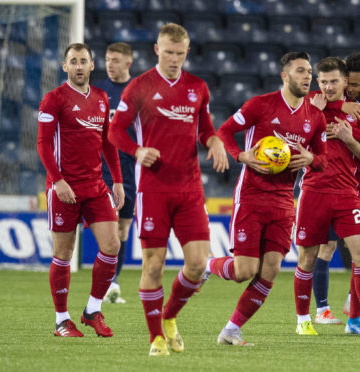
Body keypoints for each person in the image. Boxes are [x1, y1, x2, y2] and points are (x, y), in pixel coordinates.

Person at [108, 23, 228, 356]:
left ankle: (170, 316)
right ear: (157, 50)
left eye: (180, 53)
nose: (174, 59)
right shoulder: (138, 87)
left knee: (197, 265)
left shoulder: (197, 87)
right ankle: (155, 338)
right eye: (168, 52)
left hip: (189, 189)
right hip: (153, 189)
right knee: (153, 266)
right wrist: (137, 151)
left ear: (186, 52)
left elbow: (205, 129)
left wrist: (215, 142)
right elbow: (115, 132)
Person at [204, 51, 327, 346]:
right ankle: (208, 265)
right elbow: (225, 131)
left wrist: (311, 157)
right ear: (285, 76)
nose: (307, 76)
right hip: (252, 197)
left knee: (270, 270)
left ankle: (231, 331)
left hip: (285, 201)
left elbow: (323, 161)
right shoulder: (261, 105)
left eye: (309, 71)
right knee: (244, 271)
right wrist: (241, 155)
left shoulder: (315, 116)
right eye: (300, 71)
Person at [294, 56, 360, 337]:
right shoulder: (309, 107)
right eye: (323, 82)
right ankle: (305, 318)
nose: (329, 87)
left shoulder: (356, 114)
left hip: (349, 192)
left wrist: (348, 136)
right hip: (314, 191)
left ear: (345, 82)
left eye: (334, 81)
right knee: (308, 258)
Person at [37, 43, 125, 338]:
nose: (78, 66)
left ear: (91, 65)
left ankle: (92, 310)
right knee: (64, 252)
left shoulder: (101, 98)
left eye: (83, 61)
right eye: (72, 61)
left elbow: (108, 143)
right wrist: (57, 180)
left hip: (96, 186)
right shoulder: (53, 99)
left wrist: (117, 180)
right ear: (65, 66)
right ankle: (62, 320)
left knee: (111, 245)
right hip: (64, 188)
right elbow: (43, 144)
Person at [93, 42, 135, 304]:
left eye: (115, 60)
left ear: (128, 63)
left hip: (130, 171)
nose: (110, 64)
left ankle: (113, 282)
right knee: (109, 227)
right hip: (102, 170)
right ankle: (105, 286)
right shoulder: (98, 92)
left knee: (123, 231)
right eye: (108, 59)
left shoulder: (137, 92)